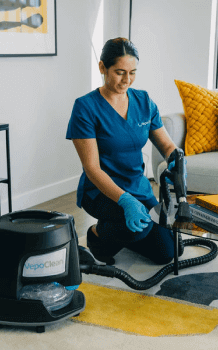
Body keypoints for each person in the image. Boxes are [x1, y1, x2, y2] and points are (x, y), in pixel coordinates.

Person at [66, 37, 184, 265]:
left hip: (138, 187)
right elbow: (92, 168)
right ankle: (96, 235)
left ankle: (125, 232)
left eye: (132, 72)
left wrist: (176, 158)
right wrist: (125, 201)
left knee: (170, 251)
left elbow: (167, 145)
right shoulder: (85, 107)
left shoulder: (144, 101)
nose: (126, 80)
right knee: (136, 229)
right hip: (101, 190)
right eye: (120, 72)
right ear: (103, 67)